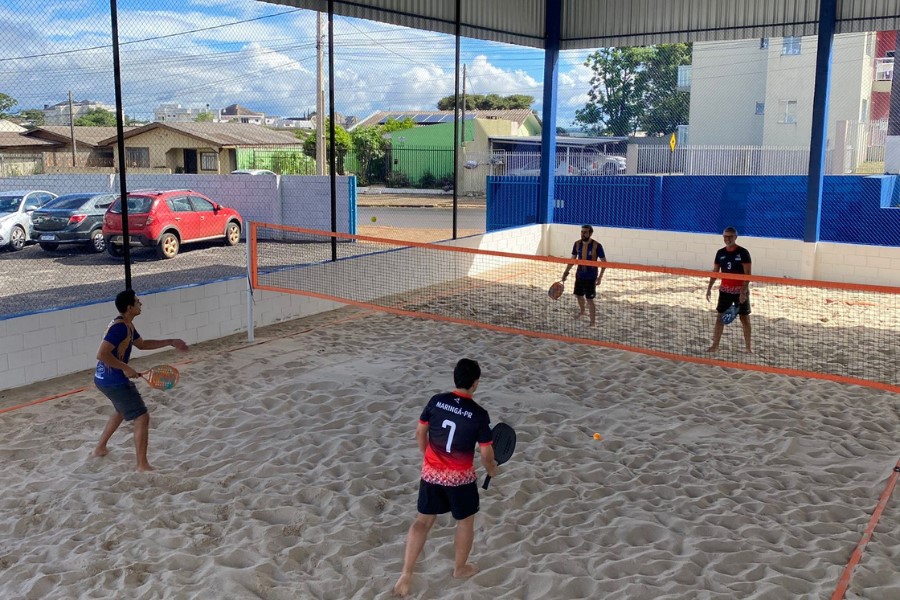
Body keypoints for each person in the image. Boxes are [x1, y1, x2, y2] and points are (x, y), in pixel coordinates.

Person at [392, 359, 498, 597]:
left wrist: (427, 458)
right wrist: (491, 469)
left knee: (422, 522)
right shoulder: (479, 414)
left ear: (455, 378)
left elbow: (420, 433)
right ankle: (459, 569)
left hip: (431, 473)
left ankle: (406, 574)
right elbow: (486, 454)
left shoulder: (436, 401)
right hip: (460, 479)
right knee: (465, 522)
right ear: (476, 383)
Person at [92, 289, 188, 471]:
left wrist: (170, 341)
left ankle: (100, 449)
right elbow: (101, 354)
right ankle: (142, 465)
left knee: (121, 410)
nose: (140, 304)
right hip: (113, 380)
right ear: (130, 307)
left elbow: (142, 344)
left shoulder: (126, 324)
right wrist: (126, 368)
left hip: (103, 378)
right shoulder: (120, 327)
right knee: (142, 417)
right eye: (137, 302)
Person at [706, 227, 752, 353]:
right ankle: (715, 346)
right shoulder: (720, 253)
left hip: (740, 291)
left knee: (745, 319)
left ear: (735, 237)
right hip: (725, 290)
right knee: (720, 318)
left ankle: (748, 348)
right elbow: (715, 272)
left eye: (730, 236)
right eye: (725, 236)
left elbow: (748, 274)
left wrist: (743, 291)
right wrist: (709, 287)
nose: (727, 239)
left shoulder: (743, 252)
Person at [561, 224, 607, 326]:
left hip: (591, 278)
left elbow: (604, 263)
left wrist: (600, 277)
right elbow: (572, 260)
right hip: (579, 275)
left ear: (590, 233)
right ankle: (582, 311)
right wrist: (566, 273)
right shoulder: (577, 244)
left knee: (590, 299)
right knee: (578, 296)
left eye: (585, 232)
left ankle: (592, 322)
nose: (583, 234)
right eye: (582, 232)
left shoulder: (597, 246)